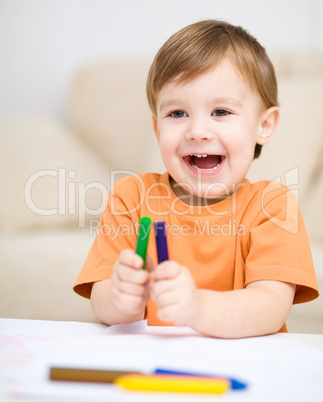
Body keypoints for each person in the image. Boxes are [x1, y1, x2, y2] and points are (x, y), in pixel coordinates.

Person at [74, 20, 319, 338]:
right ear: (157, 128)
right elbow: (102, 301)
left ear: (264, 125)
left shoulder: (273, 206)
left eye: (221, 112)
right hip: (156, 370)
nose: (197, 131)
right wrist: (120, 297)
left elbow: (271, 306)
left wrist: (198, 308)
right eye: (177, 114)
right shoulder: (131, 196)